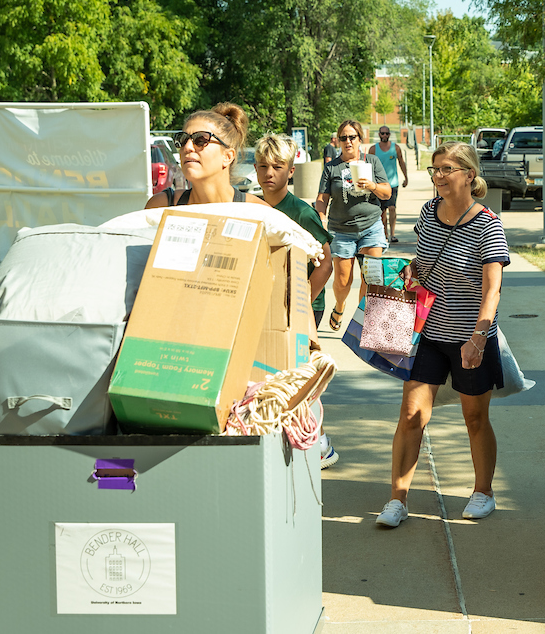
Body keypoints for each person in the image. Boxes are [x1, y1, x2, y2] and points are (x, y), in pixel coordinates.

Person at [375, 142, 510, 528]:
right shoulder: (428, 213)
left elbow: (492, 289)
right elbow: (425, 261)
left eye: (447, 168)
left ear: (470, 174)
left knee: (474, 417)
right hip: (430, 332)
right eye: (435, 169)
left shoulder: (487, 224)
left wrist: (479, 338)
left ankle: (483, 491)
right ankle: (397, 499)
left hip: (471, 335)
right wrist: (411, 271)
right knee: (412, 413)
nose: (438, 176)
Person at [253, 132, 340, 468]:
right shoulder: (249, 206)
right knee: (271, 375)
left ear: (291, 170)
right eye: (262, 166)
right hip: (264, 305)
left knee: (302, 374)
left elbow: (326, 261)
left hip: (301, 310)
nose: (269, 173)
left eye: (277, 166)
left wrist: (303, 301)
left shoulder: (301, 213)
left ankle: (319, 441)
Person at [314, 119, 392, 331]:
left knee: (371, 277)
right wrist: (320, 217)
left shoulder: (372, 161)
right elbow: (322, 198)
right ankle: (339, 306)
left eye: (352, 137)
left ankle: (361, 321)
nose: (348, 141)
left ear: (360, 139)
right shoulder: (331, 167)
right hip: (341, 230)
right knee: (342, 281)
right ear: (338, 141)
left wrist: (373, 185)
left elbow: (387, 192)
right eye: (343, 138)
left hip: (371, 226)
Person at [146, 103, 268, 209]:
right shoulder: (160, 206)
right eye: (182, 139)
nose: (187, 147)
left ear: (228, 156)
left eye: (200, 139)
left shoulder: (258, 212)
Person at [369, 125, 409, 243]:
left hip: (392, 183)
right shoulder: (373, 149)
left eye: (387, 133)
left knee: (392, 208)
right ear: (379, 134)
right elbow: (368, 166)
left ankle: (392, 234)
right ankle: (384, 234)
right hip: (378, 185)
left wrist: (406, 177)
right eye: (382, 133)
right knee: (382, 212)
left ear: (389, 134)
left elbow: (401, 162)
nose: (385, 135)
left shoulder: (395, 148)